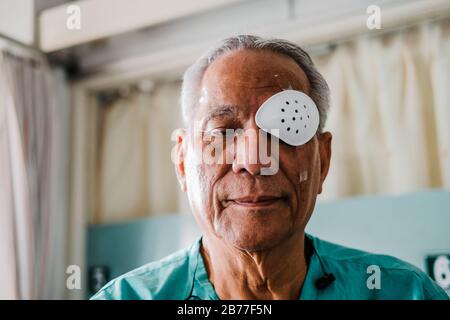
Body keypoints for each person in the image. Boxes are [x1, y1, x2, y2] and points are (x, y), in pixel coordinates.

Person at [91, 35, 448, 300]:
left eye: (286, 131)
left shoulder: (404, 292)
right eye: (224, 132)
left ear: (322, 161)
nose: (254, 159)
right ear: (183, 163)